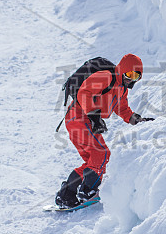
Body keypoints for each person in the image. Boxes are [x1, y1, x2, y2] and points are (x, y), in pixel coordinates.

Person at [55, 53, 154, 208]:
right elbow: (84, 93)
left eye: (136, 76)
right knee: (102, 153)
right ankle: (88, 191)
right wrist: (94, 117)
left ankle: (66, 195)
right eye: (129, 74)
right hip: (79, 117)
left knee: (93, 161)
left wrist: (135, 119)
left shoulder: (122, 89)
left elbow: (122, 108)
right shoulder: (106, 77)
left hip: (80, 120)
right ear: (122, 70)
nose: (131, 79)